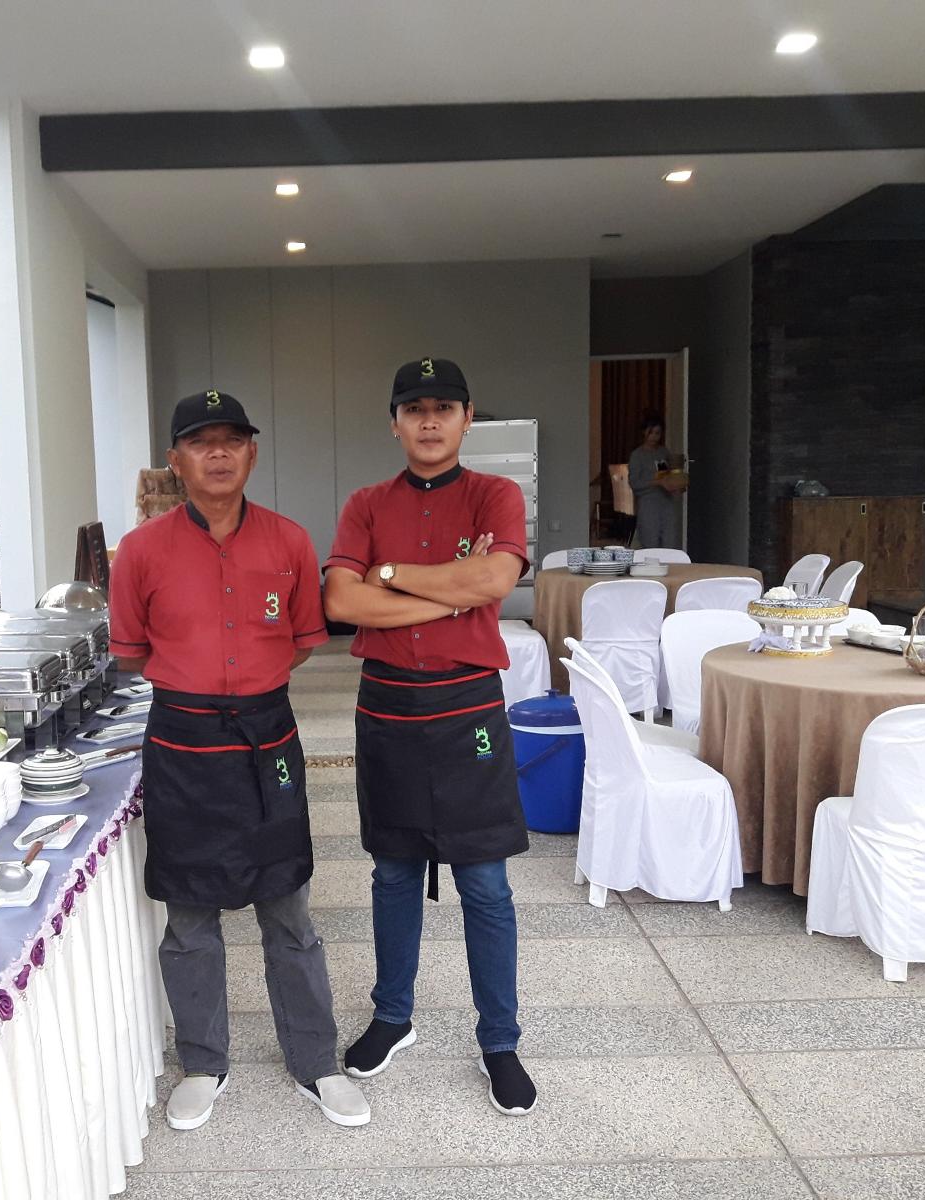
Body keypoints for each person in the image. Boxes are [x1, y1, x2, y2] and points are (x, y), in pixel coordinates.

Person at [108, 389, 369, 1131]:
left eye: (232, 439)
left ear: (252, 453)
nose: (218, 453)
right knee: (189, 918)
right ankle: (202, 1062)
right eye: (201, 442)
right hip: (182, 744)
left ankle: (315, 1060)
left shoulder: (289, 541)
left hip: (267, 739)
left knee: (289, 910)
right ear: (176, 460)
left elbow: (302, 641)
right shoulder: (141, 552)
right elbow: (131, 652)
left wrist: (245, 684)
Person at [323, 357, 538, 1116]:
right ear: (395, 422)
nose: (429, 420)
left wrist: (388, 576)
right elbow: (341, 600)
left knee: (485, 883)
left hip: (466, 706)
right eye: (414, 408)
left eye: (444, 407)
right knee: (392, 874)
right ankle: (393, 1016)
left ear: (467, 418)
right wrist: (446, 593)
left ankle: (500, 1040)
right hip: (387, 707)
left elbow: (492, 582)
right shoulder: (365, 503)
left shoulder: (494, 494)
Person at [628, 416, 684, 550]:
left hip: (666, 502)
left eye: (657, 433)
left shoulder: (663, 452)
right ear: (644, 432)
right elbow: (635, 483)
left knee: (670, 542)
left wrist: (676, 483)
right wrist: (657, 482)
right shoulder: (637, 455)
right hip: (648, 504)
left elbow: (667, 473)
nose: (654, 437)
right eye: (651, 433)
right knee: (650, 544)